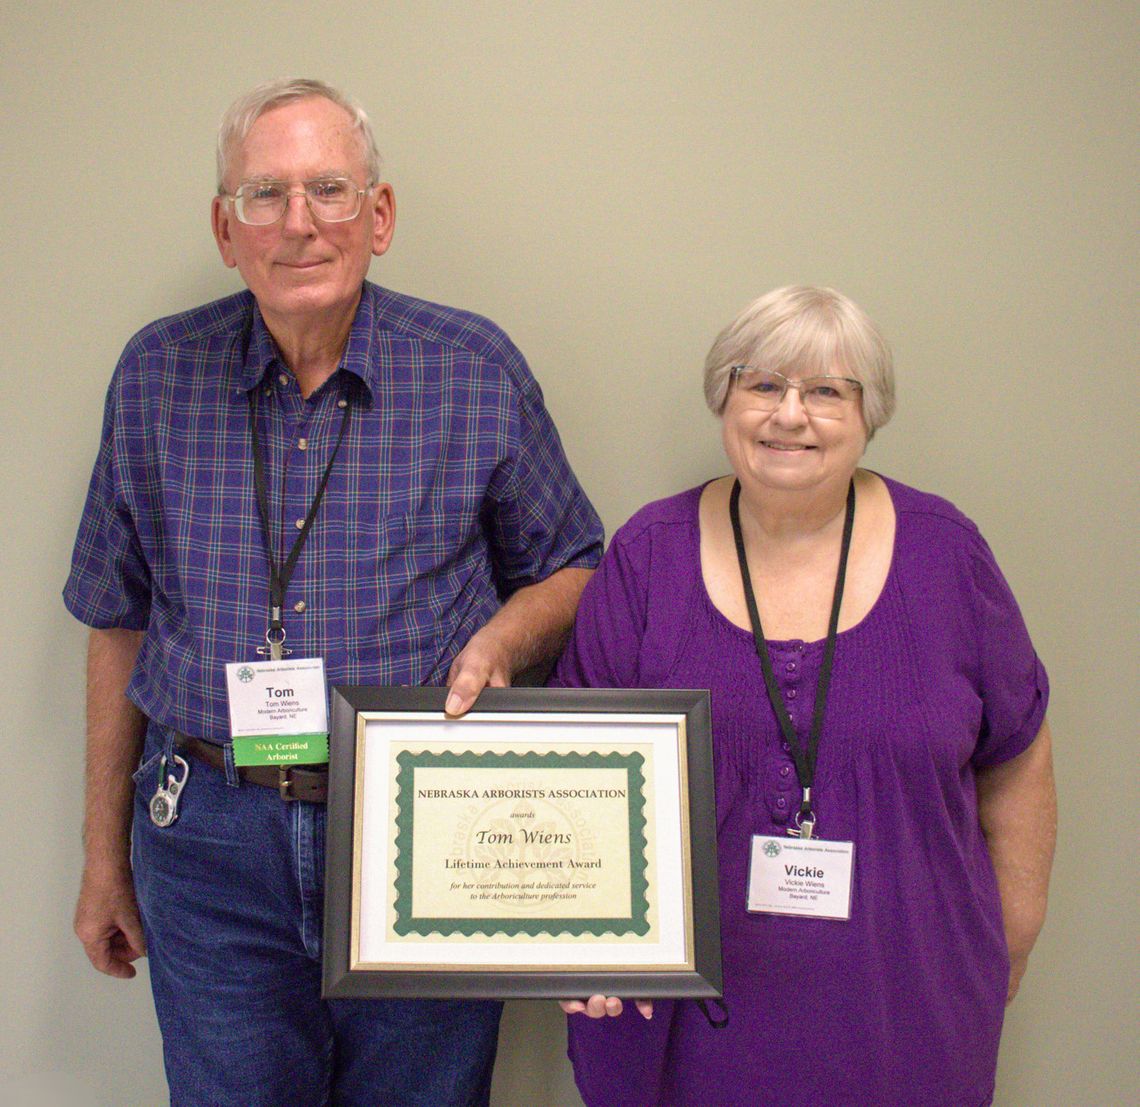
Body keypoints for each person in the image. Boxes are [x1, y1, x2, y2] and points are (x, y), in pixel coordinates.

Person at [64, 77, 603, 1107]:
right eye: (264, 196)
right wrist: (103, 860)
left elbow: (577, 563)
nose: (299, 223)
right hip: (208, 837)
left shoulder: (472, 369)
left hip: (422, 824)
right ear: (226, 229)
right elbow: (117, 620)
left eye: (329, 189)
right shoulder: (156, 375)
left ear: (381, 216)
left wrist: (498, 643)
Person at [555, 286, 1056, 1106]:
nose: (790, 414)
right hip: (685, 1022)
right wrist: (579, 942)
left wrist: (1010, 935)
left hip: (906, 1012)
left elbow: (1018, 752)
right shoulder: (649, 555)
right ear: (725, 397)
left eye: (826, 390)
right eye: (762, 384)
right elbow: (574, 775)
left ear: (870, 413)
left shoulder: (947, 555)